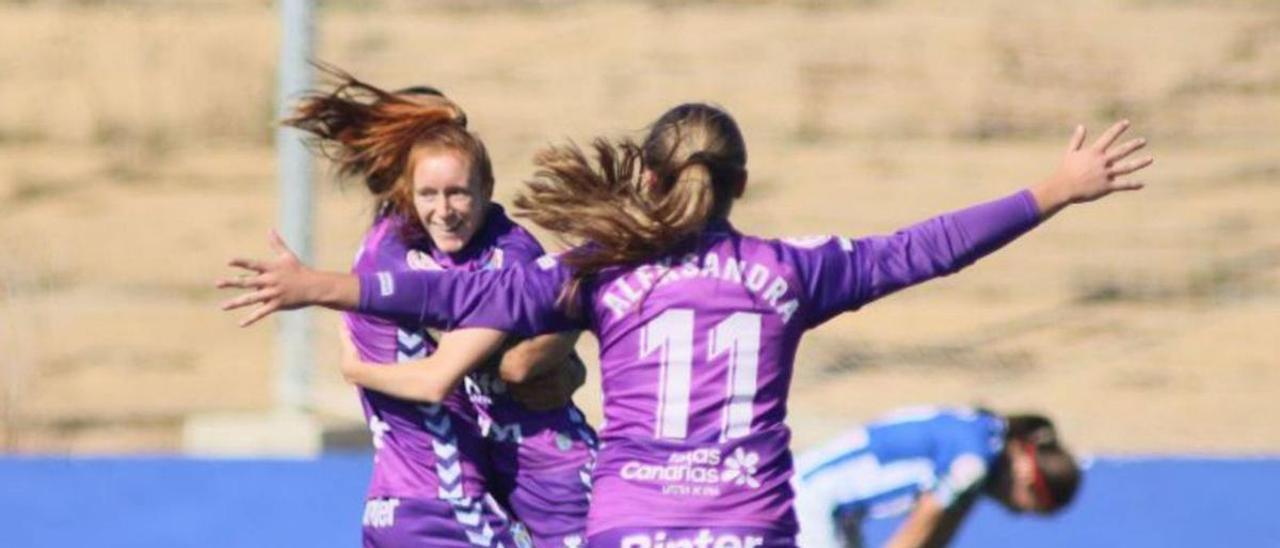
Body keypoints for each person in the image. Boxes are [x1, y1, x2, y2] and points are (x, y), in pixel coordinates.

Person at [219, 103, 1152, 546]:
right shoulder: (789, 275)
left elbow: (461, 298)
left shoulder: (600, 275)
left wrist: (323, 287)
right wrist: (1054, 191)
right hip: (746, 529)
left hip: (630, 529)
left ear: (650, 182)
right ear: (741, 187)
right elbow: (925, 248)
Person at [284, 71, 595, 547]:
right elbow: (498, 362)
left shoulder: (504, 247)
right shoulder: (393, 258)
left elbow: (522, 349)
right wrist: (355, 370)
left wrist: (565, 349)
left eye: (456, 189)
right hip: (445, 499)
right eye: (428, 189)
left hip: (538, 477)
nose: (443, 206)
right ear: (405, 180)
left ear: (484, 184)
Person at [792, 407, 1080, 548]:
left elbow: (940, 531)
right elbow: (923, 524)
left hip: (830, 510)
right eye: (1025, 506)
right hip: (810, 504)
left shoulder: (985, 440)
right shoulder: (973, 464)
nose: (1015, 511)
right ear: (1028, 477)